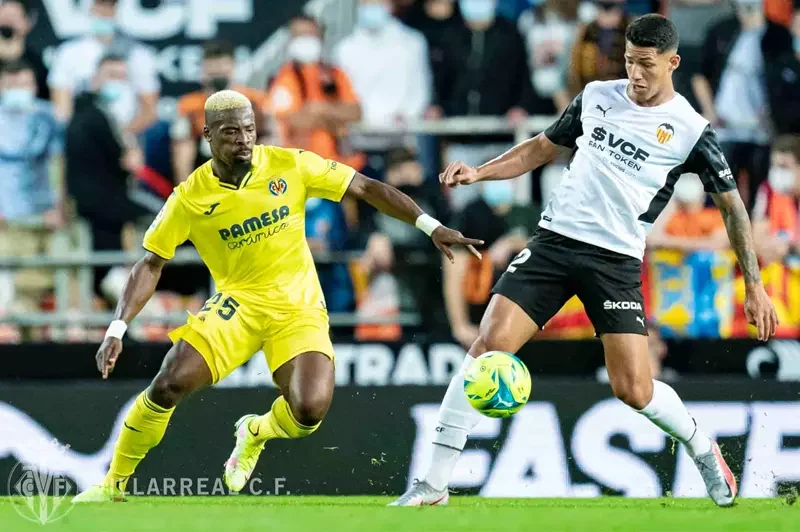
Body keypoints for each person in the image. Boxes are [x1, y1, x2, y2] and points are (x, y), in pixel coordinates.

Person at [390, 14, 778, 508]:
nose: (635, 74)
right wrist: (480, 173)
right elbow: (540, 147)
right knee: (487, 346)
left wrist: (754, 285)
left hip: (615, 260)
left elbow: (733, 209)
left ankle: (702, 447)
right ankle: (433, 484)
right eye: (630, 61)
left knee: (633, 389)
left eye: (647, 64)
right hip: (554, 242)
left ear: (673, 63)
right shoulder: (597, 96)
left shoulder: (690, 130)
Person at [71, 90, 482, 502]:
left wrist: (430, 226)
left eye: (249, 129)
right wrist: (117, 328)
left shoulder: (291, 164)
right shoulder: (190, 197)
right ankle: (112, 485)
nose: (243, 139)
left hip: (298, 306)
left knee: (309, 411)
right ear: (207, 135)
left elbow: (366, 187)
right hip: (238, 305)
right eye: (231, 132)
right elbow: (151, 263)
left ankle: (255, 431)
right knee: (169, 383)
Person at [691, 0, 792, 207]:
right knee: (718, 194)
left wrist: (776, 116)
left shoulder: (778, 35)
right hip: (725, 128)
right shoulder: (721, 30)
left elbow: (788, 80)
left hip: (761, 132)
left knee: (760, 197)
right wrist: (710, 111)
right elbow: (699, 75)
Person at [65, 54, 148, 303]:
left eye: (122, 77)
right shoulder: (92, 115)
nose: (117, 82)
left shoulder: (103, 113)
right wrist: (128, 157)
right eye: (111, 75)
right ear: (95, 78)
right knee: (109, 270)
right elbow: (123, 161)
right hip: (103, 206)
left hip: (106, 204)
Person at [0, 60, 63, 319]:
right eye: (13, 84)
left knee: (41, 283)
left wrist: (58, 206)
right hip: (5, 217)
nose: (19, 90)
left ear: (35, 87)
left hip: (42, 214)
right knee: (5, 287)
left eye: (25, 84)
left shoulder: (48, 117)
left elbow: (58, 163)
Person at [269, 15, 365, 172]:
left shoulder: (336, 74)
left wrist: (321, 109)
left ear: (321, 37)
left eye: (309, 35)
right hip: (301, 168)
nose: (305, 40)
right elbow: (292, 120)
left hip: (342, 166)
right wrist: (336, 120)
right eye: (299, 35)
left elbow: (355, 112)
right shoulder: (284, 77)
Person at [48, 0, 159, 133]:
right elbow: (62, 110)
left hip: (128, 136)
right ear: (89, 8)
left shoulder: (138, 54)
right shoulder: (68, 53)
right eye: (100, 6)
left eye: (110, 7)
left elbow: (149, 111)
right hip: (82, 135)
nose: (104, 13)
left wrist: (120, 139)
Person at [173, 40, 270, 183]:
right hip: (206, 160)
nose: (217, 76)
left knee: (269, 136)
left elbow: (271, 135)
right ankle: (187, 190)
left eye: (222, 71)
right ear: (203, 72)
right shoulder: (189, 105)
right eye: (212, 72)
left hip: (247, 159)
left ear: (233, 68)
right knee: (183, 141)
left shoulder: (255, 100)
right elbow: (181, 142)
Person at [646, 173, 729, 251]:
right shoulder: (671, 216)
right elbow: (651, 240)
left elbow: (717, 244)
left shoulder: (716, 216)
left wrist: (668, 242)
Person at [752, 135, 800, 263]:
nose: (778, 173)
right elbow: (757, 238)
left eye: (784, 167)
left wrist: (790, 248)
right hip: (780, 260)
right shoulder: (768, 190)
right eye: (774, 166)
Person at [0, 1, 48, 100]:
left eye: (13, 17)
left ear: (27, 23)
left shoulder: (38, 65)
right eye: (3, 17)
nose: (7, 23)